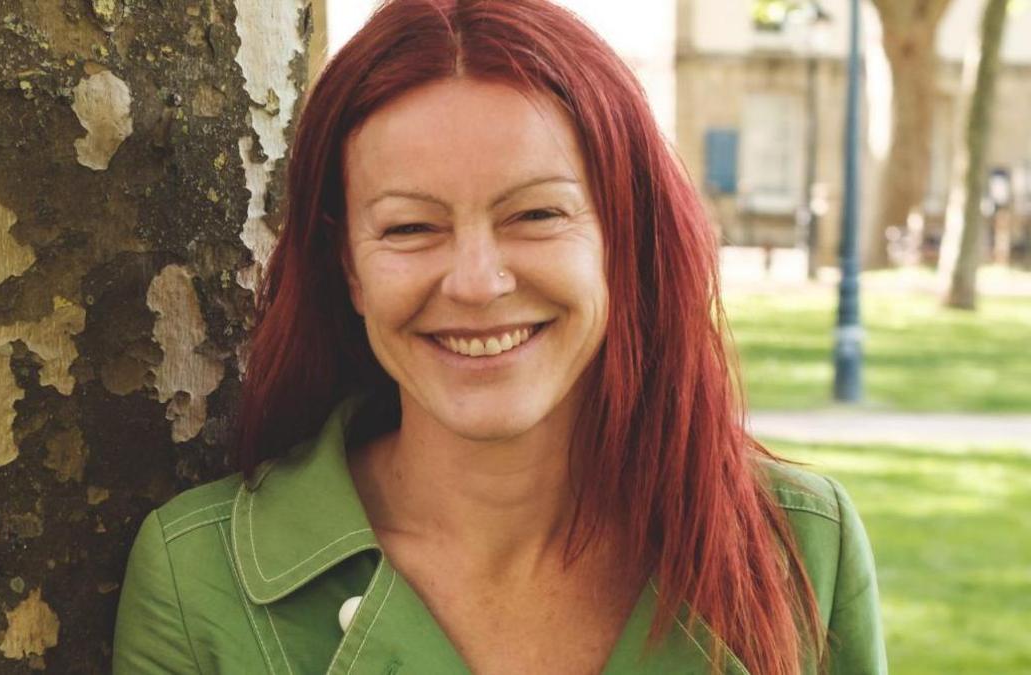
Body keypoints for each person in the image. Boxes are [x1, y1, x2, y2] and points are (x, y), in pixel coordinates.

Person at [113, 0, 886, 673]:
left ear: (624, 235)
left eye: (537, 214)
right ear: (346, 266)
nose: (477, 282)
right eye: (411, 227)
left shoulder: (797, 546)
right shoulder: (197, 577)